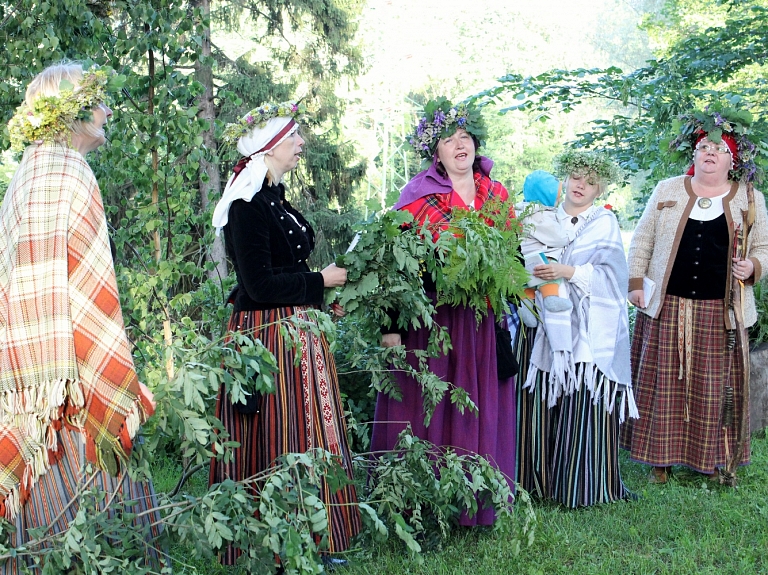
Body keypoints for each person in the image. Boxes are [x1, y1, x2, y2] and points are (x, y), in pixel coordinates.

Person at [0, 62, 159, 572]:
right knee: (97, 487)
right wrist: (105, 365)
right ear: (73, 112)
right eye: (98, 101)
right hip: (72, 374)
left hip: (27, 376)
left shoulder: (27, 172)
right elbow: (92, 291)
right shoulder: (73, 172)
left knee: (43, 502)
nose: (107, 109)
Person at [209, 101, 361, 565]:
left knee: (311, 429)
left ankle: (319, 537)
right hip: (266, 334)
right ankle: (273, 542)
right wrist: (320, 281)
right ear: (270, 145)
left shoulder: (273, 195)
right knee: (281, 433)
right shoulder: (247, 204)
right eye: (293, 136)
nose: (301, 143)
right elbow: (258, 284)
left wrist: (318, 287)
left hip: (295, 328)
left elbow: (286, 265)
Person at [369, 97, 516, 526]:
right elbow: (392, 262)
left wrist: (507, 277)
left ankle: (474, 500)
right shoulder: (417, 196)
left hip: (481, 323)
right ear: (436, 152)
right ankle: (421, 502)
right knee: (430, 407)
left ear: (475, 144)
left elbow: (515, 255)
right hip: (432, 321)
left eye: (465, 138)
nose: (459, 146)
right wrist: (391, 326)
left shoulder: (496, 193)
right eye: (449, 140)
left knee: (475, 407)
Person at [620, 107, 768, 484]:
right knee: (663, 385)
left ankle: (718, 459)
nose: (709, 154)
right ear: (694, 154)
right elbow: (643, 240)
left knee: (716, 387)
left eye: (718, 150)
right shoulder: (667, 189)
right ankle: (660, 461)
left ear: (731, 160)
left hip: (722, 311)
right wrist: (635, 283)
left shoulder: (749, 198)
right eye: (703, 147)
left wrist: (752, 267)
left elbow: (763, 247)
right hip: (667, 305)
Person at [519, 149, 636, 507]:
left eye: (590, 180)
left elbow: (613, 279)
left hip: (586, 329)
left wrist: (566, 273)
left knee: (582, 402)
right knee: (535, 402)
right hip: (541, 322)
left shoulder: (603, 223)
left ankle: (579, 484)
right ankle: (532, 482)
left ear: (599, 188)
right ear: (564, 179)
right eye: (575, 177)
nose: (580, 185)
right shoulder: (540, 214)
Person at [515, 170, 572, 328]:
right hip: (537, 258)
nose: (559, 199)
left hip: (519, 260)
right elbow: (556, 237)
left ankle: (526, 306)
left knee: (525, 285)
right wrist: (570, 235)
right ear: (545, 196)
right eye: (557, 196)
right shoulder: (540, 215)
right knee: (548, 271)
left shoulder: (519, 209)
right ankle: (551, 298)